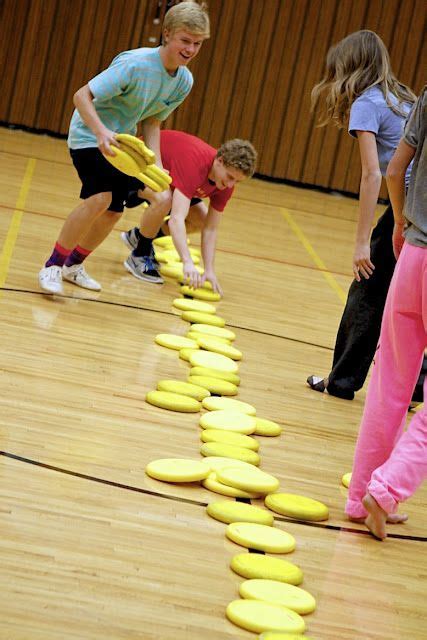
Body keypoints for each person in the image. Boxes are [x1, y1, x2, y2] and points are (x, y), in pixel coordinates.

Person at [38, 1, 210, 295]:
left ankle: (73, 265)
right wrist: (101, 131)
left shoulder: (184, 81)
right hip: (89, 134)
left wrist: (154, 161)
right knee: (100, 198)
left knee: (114, 212)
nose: (191, 49)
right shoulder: (135, 64)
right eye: (185, 40)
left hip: (121, 146)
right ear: (167, 34)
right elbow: (82, 96)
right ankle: (52, 265)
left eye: (197, 43)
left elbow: (153, 120)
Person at [307, 30, 425, 403]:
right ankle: (415, 388)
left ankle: (341, 381)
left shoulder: (366, 102)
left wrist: (362, 243)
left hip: (403, 206)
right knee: (413, 296)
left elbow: (375, 173)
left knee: (367, 292)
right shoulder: (403, 95)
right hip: (423, 205)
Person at [345, 87, 426, 540]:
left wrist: (399, 221)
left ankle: (360, 497)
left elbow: (397, 170)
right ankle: (387, 489)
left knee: (390, 383)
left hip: (413, 252)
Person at [121, 130, 257, 293]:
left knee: (201, 219)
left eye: (236, 181)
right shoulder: (195, 164)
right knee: (165, 199)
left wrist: (209, 270)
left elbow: (210, 228)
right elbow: (176, 220)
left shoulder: (226, 185)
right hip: (135, 166)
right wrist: (187, 262)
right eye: (229, 177)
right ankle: (140, 254)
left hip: (168, 180)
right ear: (219, 161)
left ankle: (139, 237)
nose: (230, 184)